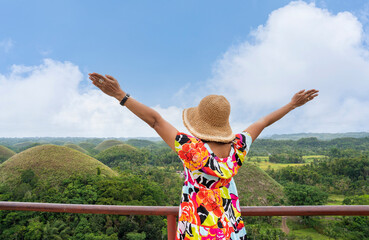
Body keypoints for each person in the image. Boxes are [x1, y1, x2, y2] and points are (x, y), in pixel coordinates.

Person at [88, 72, 318, 240]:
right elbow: (262, 123)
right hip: (230, 230)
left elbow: (156, 121)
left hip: (197, 231)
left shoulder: (192, 151)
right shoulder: (238, 148)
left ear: (200, 124)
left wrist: (120, 95)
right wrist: (292, 105)